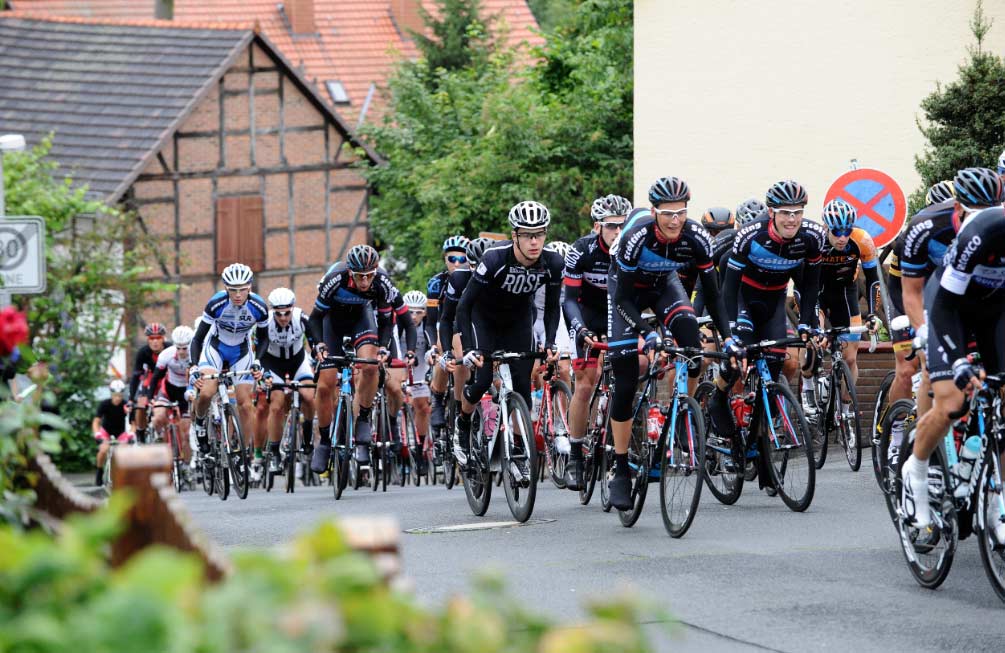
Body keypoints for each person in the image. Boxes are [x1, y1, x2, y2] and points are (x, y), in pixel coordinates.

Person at [606, 177, 737, 510]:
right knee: (624, 375)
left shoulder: (695, 237)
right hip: (627, 294)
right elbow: (621, 296)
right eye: (667, 213)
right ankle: (620, 469)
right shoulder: (637, 236)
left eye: (680, 212)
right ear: (654, 211)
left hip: (664, 285)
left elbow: (714, 293)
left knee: (693, 348)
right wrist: (644, 331)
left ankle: (682, 413)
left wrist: (730, 338)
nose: (675, 220)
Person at [901, 205, 1005, 543]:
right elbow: (942, 304)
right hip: (951, 308)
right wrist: (958, 361)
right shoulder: (982, 229)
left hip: (996, 310)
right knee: (952, 402)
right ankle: (916, 469)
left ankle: (997, 500)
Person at [713, 180, 824, 488]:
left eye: (798, 212)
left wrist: (807, 322)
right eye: (785, 213)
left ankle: (761, 445)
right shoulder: (750, 235)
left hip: (774, 301)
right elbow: (729, 287)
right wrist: (732, 333)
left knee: (776, 368)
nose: (792, 219)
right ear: (772, 212)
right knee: (739, 360)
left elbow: (810, 285)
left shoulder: (812, 237)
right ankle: (719, 400)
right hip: (743, 299)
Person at [454, 201, 564, 478]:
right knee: (480, 381)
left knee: (523, 388)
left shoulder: (552, 263)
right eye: (527, 235)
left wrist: (550, 342)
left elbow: (551, 308)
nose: (534, 241)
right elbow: (464, 306)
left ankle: (518, 450)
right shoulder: (494, 259)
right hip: (484, 319)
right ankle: (463, 423)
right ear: (514, 235)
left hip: (517, 322)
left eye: (539, 234)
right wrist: (468, 349)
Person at [308, 245, 416, 471]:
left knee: (370, 367)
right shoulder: (335, 278)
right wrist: (318, 344)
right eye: (359, 277)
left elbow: (393, 321)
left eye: (369, 276)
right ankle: (325, 442)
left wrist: (385, 348)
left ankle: (364, 418)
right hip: (332, 325)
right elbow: (315, 318)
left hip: (361, 320)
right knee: (325, 384)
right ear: (350, 273)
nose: (365, 282)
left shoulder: (383, 282)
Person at [562, 193, 631, 490]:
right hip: (587, 314)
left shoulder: (633, 248)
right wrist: (580, 330)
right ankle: (576, 454)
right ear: (597, 227)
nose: (618, 232)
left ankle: (623, 448)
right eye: (612, 226)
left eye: (623, 226)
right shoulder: (581, 251)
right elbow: (569, 299)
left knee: (633, 370)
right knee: (586, 383)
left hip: (618, 312)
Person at [804, 198, 882, 414]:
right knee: (813, 339)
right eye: (837, 231)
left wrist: (874, 314)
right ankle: (808, 385)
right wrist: (810, 323)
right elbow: (803, 282)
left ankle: (846, 411)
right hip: (817, 293)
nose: (842, 237)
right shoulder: (815, 241)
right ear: (827, 227)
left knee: (850, 358)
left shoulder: (862, 240)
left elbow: (873, 279)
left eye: (847, 230)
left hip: (845, 293)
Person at [189, 263, 269, 461]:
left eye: (242, 289)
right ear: (226, 288)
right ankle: (200, 425)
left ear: (250, 286)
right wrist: (193, 366)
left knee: (245, 403)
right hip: (216, 348)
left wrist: (258, 362)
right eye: (233, 290)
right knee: (207, 391)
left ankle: (244, 450)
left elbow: (264, 339)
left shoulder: (258, 307)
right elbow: (198, 339)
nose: (238, 294)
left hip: (241, 352)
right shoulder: (216, 303)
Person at [255, 287, 317, 476]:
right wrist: (261, 372)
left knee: (309, 395)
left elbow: (315, 341)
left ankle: (307, 438)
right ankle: (274, 452)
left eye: (287, 313)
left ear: (293, 308)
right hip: (273, 364)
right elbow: (260, 350)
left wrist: (319, 356)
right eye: (279, 313)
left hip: (298, 361)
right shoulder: (265, 322)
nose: (283, 317)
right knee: (276, 404)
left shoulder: (301, 317)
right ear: (273, 310)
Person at [427, 236, 470, 436]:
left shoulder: (473, 277)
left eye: (463, 260)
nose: (457, 263)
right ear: (445, 259)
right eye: (453, 259)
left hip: (469, 322)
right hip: (446, 322)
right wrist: (433, 346)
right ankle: (437, 395)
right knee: (449, 352)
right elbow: (432, 320)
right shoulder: (437, 283)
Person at [149, 325, 196, 466]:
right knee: (158, 416)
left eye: (185, 348)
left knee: (186, 433)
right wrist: (151, 397)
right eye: (178, 348)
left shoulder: (197, 354)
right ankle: (159, 436)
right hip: (168, 390)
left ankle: (186, 466)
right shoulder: (167, 354)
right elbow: (156, 377)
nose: (181, 351)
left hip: (187, 393)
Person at [400, 290, 432, 475]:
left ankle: (419, 450)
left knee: (423, 407)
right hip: (401, 366)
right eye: (410, 311)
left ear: (425, 312)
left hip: (420, 368)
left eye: (418, 312)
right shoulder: (398, 324)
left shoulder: (427, 326)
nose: (414, 316)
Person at [129, 322, 168, 443]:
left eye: (158, 338)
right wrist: (131, 398)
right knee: (140, 405)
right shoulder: (143, 352)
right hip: (150, 381)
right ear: (148, 340)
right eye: (152, 338)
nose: (155, 342)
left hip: (165, 380)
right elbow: (136, 376)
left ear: (163, 339)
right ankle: (140, 432)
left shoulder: (170, 348)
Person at [93, 379, 132, 485]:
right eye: (115, 395)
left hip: (120, 431)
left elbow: (133, 423)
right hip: (106, 430)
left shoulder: (125, 405)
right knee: (103, 450)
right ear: (111, 394)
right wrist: (97, 434)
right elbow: (96, 421)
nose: (118, 398)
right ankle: (99, 472)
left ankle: (124, 474)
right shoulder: (104, 404)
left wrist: (131, 434)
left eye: (120, 395)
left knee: (125, 450)